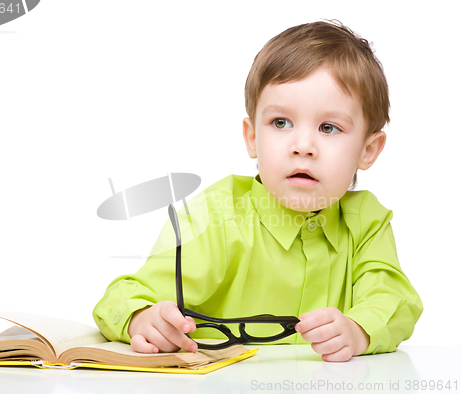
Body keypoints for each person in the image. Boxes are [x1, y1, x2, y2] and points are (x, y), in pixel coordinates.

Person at [93, 20, 423, 362]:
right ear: (252, 137)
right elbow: (124, 296)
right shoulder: (216, 215)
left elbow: (395, 299)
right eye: (280, 123)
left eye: (329, 127)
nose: (303, 145)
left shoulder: (366, 221)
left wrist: (359, 330)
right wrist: (140, 318)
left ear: (368, 150)